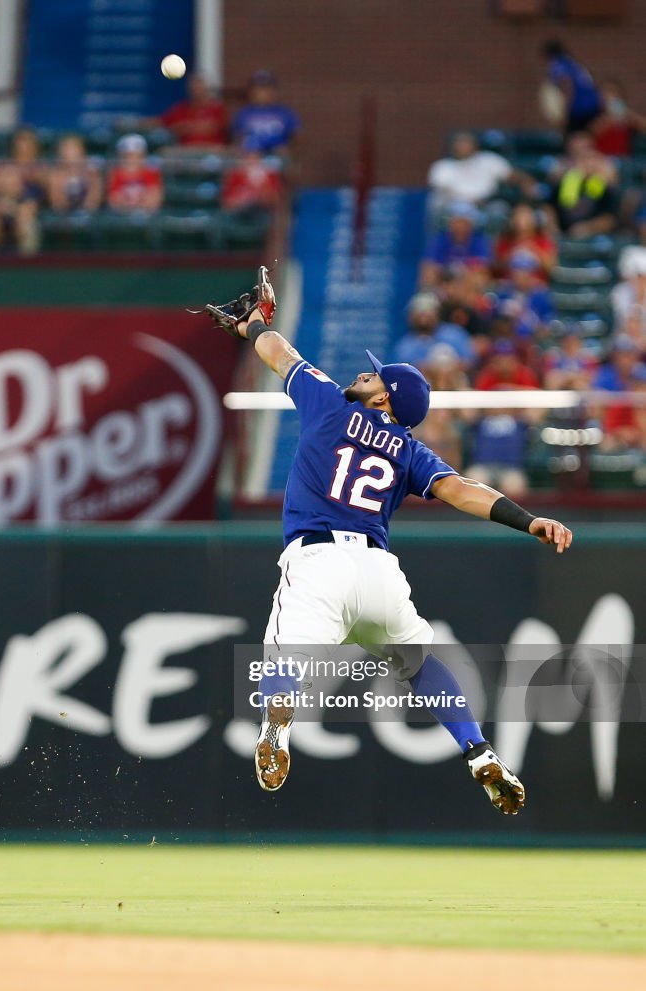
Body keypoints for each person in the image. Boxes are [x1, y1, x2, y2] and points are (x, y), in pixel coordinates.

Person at [224, 268, 572, 814]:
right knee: (422, 664)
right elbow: (462, 491)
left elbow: (277, 352)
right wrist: (529, 521)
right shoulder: (410, 451)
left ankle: (275, 732)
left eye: (374, 376)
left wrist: (251, 326)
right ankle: (477, 750)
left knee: (281, 662)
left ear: (386, 398)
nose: (364, 375)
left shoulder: (331, 406)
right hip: (380, 575)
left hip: (319, 561)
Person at [427, 132, 534, 220]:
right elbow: (443, 191)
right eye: (460, 143)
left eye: (466, 143)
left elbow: (512, 175)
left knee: (499, 210)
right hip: (455, 208)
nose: (463, 147)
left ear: (475, 145)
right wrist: (470, 201)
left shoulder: (488, 160)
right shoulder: (443, 166)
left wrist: (526, 182)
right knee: (445, 208)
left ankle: (493, 245)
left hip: (485, 206)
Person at [0, 127, 46, 256]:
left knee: (28, 226)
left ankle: (28, 270)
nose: (23, 145)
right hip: (0, 207)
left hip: (26, 210)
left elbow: (40, 197)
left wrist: (23, 181)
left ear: (35, 145)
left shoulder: (41, 168)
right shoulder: (3, 165)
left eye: (27, 141)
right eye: (20, 141)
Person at [420, 201, 492, 288]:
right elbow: (430, 261)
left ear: (471, 224)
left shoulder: (479, 240)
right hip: (444, 275)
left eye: (464, 222)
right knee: (429, 272)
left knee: (478, 277)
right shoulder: (440, 239)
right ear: (450, 223)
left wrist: (462, 271)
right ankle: (429, 296)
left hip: (467, 277)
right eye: (457, 222)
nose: (460, 226)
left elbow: (482, 265)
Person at [231, 70, 300, 156]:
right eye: (258, 88)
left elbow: (297, 140)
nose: (262, 93)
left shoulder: (285, 113)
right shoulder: (243, 114)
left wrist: (289, 151)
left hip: (277, 161)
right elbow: (236, 139)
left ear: (274, 91)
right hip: (251, 160)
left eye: (266, 88)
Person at [153, 73, 229, 149]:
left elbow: (219, 127)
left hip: (214, 153)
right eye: (194, 87)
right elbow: (163, 123)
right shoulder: (180, 109)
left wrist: (187, 127)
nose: (197, 90)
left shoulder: (218, 108)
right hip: (186, 154)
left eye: (200, 87)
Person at [541, 40, 601, 135]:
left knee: (573, 141)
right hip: (594, 107)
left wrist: (565, 113)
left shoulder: (557, 65)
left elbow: (567, 85)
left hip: (580, 110)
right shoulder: (573, 63)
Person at [494, 202, 557, 283]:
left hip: (535, 287)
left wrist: (534, 249)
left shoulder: (543, 240)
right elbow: (495, 269)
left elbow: (551, 269)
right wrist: (511, 252)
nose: (521, 219)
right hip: (508, 286)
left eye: (525, 215)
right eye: (518, 215)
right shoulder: (504, 240)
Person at [47, 134, 103, 215]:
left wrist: (86, 210)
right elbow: (57, 202)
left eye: (74, 149)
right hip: (63, 216)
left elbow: (94, 198)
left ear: (82, 151)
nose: (70, 153)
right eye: (67, 149)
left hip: (89, 214)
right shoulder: (55, 174)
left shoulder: (92, 172)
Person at [107, 134, 163, 214]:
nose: (133, 160)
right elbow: (114, 201)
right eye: (127, 156)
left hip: (147, 216)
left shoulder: (151, 172)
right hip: (121, 217)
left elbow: (154, 200)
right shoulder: (116, 173)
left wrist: (139, 206)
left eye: (138, 156)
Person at [590, 79, 646, 158]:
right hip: (601, 158)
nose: (608, 97)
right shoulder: (594, 114)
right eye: (604, 94)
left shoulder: (627, 115)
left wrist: (629, 115)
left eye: (612, 93)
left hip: (623, 159)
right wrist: (609, 117)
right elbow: (593, 133)